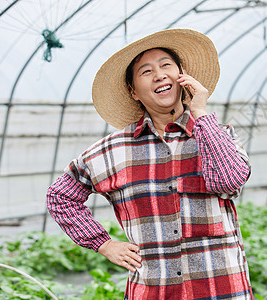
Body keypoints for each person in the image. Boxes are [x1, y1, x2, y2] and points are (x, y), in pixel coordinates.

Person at [46, 29, 253, 299]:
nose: (159, 74)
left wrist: (201, 113)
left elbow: (229, 182)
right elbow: (60, 196)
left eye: (166, 65)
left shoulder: (218, 135)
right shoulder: (112, 150)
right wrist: (104, 244)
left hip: (222, 289)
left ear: (182, 77)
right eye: (146, 71)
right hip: (154, 291)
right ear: (133, 92)